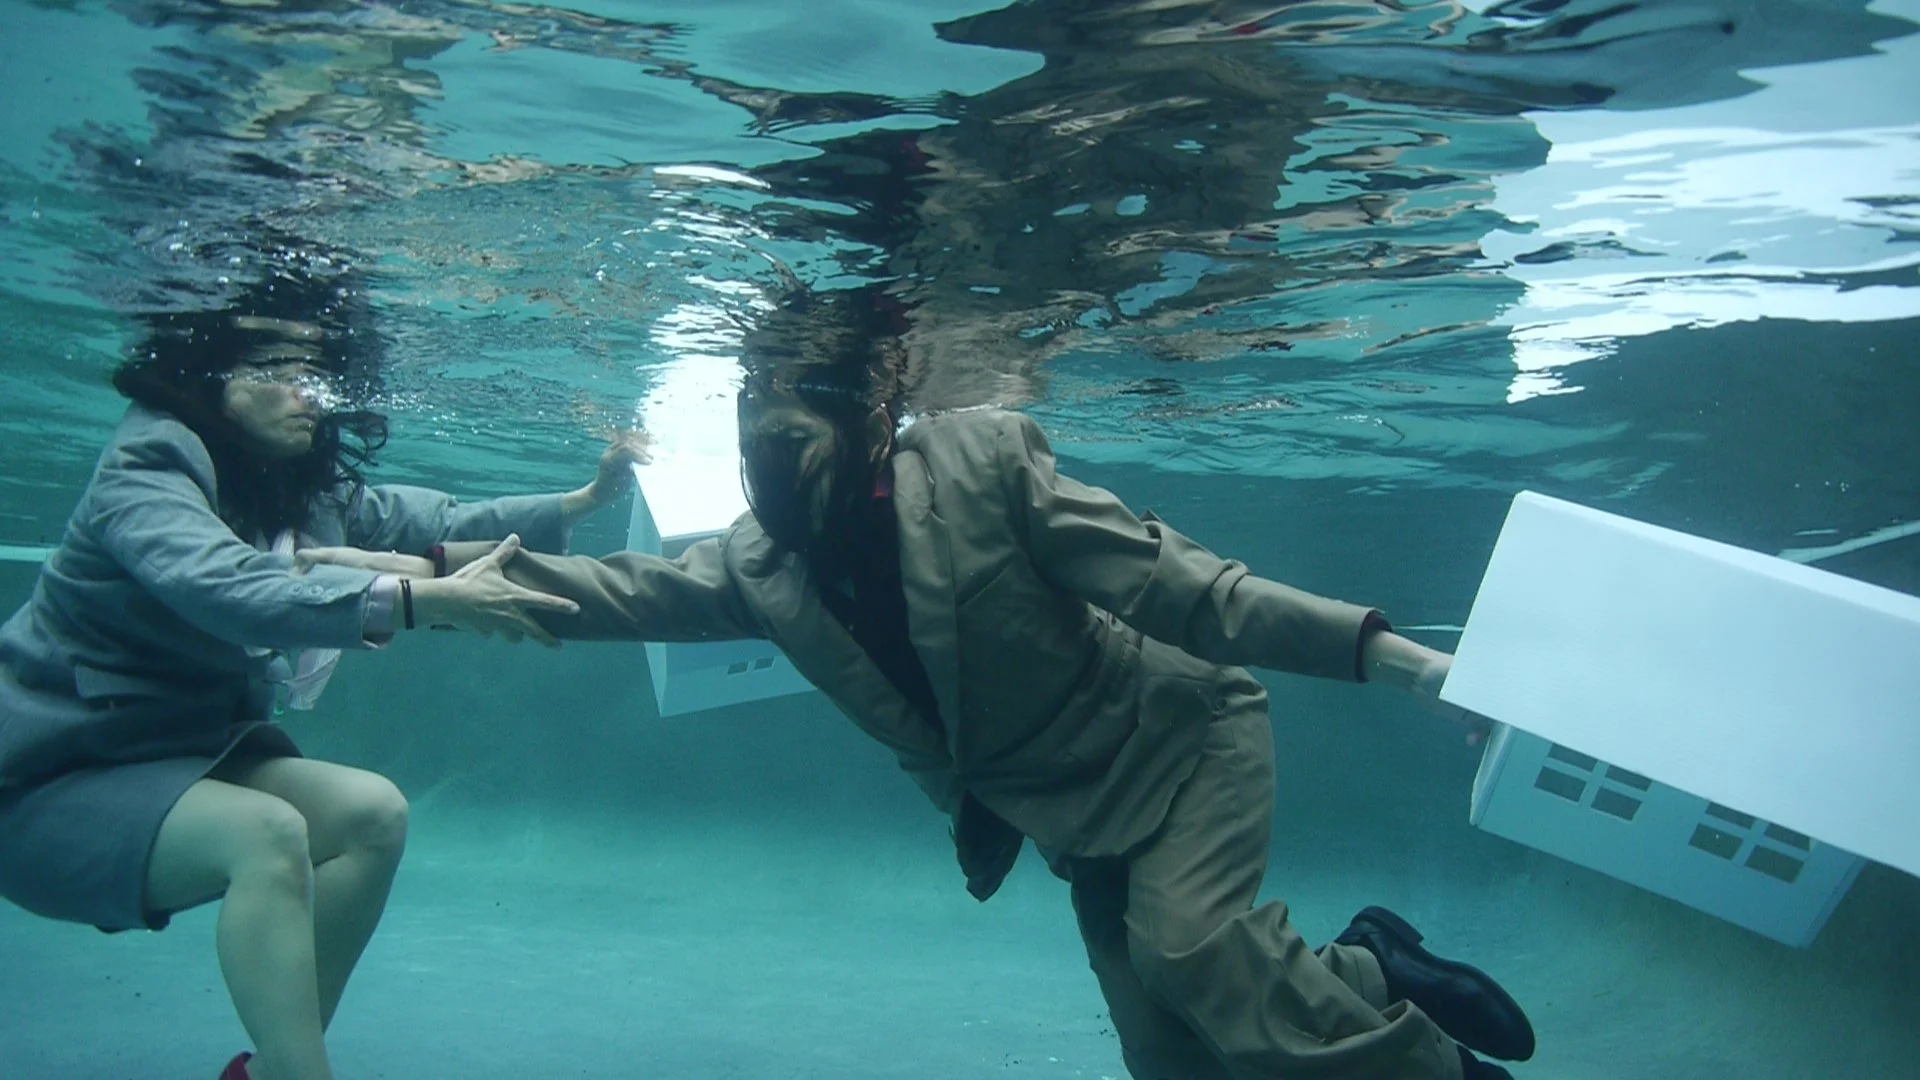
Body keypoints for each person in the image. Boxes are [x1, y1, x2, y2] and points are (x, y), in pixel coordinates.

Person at [319, 285, 1535, 1080]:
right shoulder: (756, 569)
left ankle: (1438, 1068)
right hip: (1072, 820)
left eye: (799, 406)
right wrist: (415, 574)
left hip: (1179, 752)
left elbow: (1195, 594)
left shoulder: (988, 467)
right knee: (1177, 1060)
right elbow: (604, 595)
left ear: (877, 407)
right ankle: (1370, 965)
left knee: (1194, 955)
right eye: (750, 408)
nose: (768, 435)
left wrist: (1397, 659)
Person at [0, 268, 623, 1080]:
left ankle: (275, 1070)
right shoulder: (147, 463)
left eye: (316, 374)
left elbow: (426, 519)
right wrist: (417, 599)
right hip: (50, 780)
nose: (311, 395)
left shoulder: (289, 478)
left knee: (372, 814)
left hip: (171, 756)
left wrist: (581, 499)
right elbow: (225, 588)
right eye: (282, 372)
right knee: (265, 835)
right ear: (209, 370)